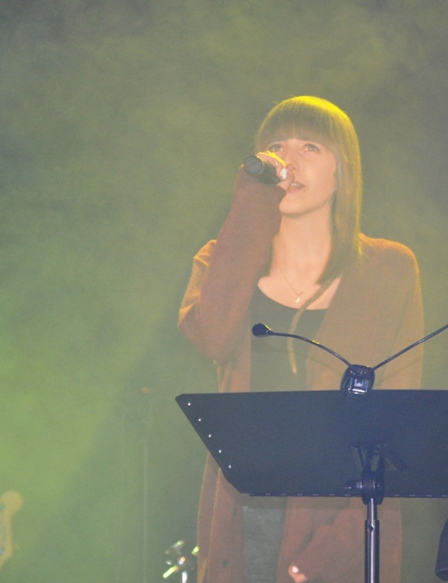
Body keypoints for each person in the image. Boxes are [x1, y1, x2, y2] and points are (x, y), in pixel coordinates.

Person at [179, 96, 424, 583]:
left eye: (310, 146)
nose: (289, 161)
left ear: (343, 169)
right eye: (276, 147)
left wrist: (332, 550)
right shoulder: (220, 259)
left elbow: (399, 420)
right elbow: (212, 337)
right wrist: (252, 205)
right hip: (243, 517)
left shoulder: (388, 268)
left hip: (342, 524)